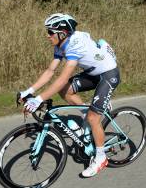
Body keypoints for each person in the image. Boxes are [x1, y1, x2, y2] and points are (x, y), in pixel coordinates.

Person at [20, 13, 120, 178]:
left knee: (94, 118)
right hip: (93, 73)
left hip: (108, 74)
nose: (47, 35)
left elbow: (62, 78)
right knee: (65, 90)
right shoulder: (60, 44)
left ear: (62, 33)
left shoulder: (74, 45)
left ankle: (101, 158)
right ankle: (90, 113)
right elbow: (50, 71)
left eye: (50, 32)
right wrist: (29, 91)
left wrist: (38, 99)